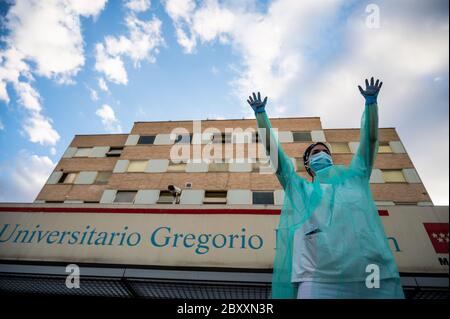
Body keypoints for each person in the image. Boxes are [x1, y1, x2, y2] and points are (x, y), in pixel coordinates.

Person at [247, 77, 405, 299]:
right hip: (318, 278)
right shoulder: (299, 190)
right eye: (315, 153)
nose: (321, 154)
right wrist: (261, 116)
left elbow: (370, 141)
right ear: (308, 164)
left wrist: (371, 105)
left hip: (372, 274)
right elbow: (276, 157)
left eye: (326, 151)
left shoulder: (357, 178)